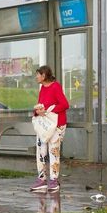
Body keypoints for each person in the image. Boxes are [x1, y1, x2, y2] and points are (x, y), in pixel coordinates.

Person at [30, 65, 69, 193]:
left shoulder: (55, 86)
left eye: (38, 74)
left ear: (44, 76)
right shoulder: (42, 88)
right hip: (44, 126)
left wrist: (47, 111)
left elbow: (64, 104)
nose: (36, 77)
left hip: (56, 126)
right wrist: (38, 111)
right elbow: (41, 105)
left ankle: (54, 180)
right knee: (41, 152)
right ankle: (41, 179)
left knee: (53, 152)